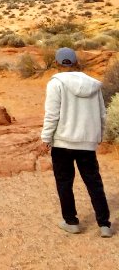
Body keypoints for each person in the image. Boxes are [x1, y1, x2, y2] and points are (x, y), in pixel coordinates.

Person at [40, 47, 113, 238]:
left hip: (62, 142)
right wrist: (98, 137)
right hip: (87, 143)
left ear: (57, 62)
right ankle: (104, 224)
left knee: (64, 182)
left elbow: (52, 115)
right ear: (75, 62)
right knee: (94, 182)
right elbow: (102, 114)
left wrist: (46, 138)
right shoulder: (93, 84)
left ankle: (71, 222)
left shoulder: (56, 83)